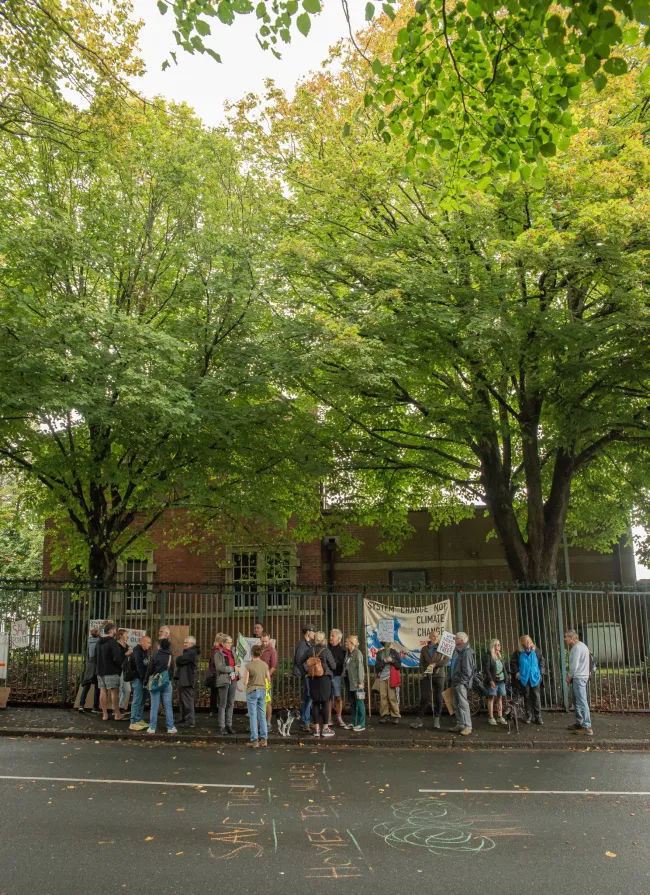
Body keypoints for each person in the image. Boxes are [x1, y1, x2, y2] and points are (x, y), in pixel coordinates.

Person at [410, 630, 450, 730]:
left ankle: (437, 719)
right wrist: (424, 672)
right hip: (428, 675)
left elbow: (446, 660)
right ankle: (419, 719)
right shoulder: (424, 649)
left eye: (436, 636)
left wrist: (436, 664)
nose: (435, 637)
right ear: (429, 637)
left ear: (438, 637)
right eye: (433, 636)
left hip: (440, 675)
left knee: (438, 697)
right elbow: (421, 663)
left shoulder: (442, 648)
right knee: (424, 697)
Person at [304, 631, 336, 737]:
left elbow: (300, 661)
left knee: (315, 703)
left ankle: (317, 729)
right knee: (325, 702)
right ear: (323, 640)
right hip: (324, 679)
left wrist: (307, 672)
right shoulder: (326, 651)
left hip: (313, 679)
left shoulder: (310, 651)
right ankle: (325, 728)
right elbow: (334, 666)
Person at [510, 635, 545, 725]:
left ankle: (538, 717)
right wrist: (517, 671)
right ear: (522, 643)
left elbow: (541, 662)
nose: (528, 642)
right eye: (526, 641)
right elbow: (513, 663)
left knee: (536, 697)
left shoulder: (536, 651)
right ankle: (528, 716)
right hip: (524, 678)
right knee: (527, 696)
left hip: (535, 677)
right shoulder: (518, 653)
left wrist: (541, 673)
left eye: (529, 640)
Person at [95, 623, 127, 722]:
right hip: (112, 670)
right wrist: (124, 658)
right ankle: (117, 714)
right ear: (112, 630)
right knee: (114, 692)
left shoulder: (98, 642)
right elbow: (117, 658)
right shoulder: (113, 642)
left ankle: (104, 714)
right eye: (115, 629)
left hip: (100, 670)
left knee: (102, 691)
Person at [564, 629, 593, 736]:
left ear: (572, 638)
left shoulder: (576, 648)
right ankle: (579, 722)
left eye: (566, 636)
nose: (565, 639)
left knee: (581, 701)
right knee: (577, 701)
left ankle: (587, 726)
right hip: (582, 676)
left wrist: (569, 676)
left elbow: (574, 665)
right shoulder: (582, 646)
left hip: (579, 677)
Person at [146, 637, 176, 735]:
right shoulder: (171, 656)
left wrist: (145, 681)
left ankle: (152, 727)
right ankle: (170, 727)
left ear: (160, 646)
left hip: (156, 682)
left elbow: (149, 670)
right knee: (168, 706)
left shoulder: (155, 656)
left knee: (154, 705)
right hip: (167, 682)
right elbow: (172, 670)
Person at [243, 643, 270, 747]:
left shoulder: (248, 666)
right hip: (262, 690)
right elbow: (268, 678)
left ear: (251, 653)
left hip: (252, 691)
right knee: (262, 715)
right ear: (260, 653)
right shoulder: (265, 665)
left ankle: (254, 740)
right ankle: (264, 739)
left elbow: (245, 682)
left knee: (253, 716)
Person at [449, 632, 476, 736]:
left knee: (463, 704)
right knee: (456, 704)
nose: (455, 640)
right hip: (455, 682)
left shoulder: (466, 652)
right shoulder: (458, 651)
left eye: (456, 638)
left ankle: (468, 726)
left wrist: (461, 683)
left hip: (460, 683)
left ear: (461, 640)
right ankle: (460, 724)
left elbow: (467, 671)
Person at [214, 634, 240, 735]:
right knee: (223, 704)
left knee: (230, 703)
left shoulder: (233, 651)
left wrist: (237, 666)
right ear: (223, 643)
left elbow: (238, 662)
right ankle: (222, 726)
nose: (230, 644)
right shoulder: (218, 654)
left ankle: (229, 725)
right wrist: (232, 668)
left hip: (233, 678)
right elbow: (219, 667)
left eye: (231, 642)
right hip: (224, 680)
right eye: (228, 643)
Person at [293, 624, 316, 731]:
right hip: (306, 674)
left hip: (307, 674)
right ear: (308, 632)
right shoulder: (303, 645)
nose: (314, 633)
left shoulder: (308, 644)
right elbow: (299, 661)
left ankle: (305, 719)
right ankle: (305, 721)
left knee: (307, 698)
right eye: (313, 631)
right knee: (308, 697)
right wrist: (306, 672)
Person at [175, 635, 200, 728]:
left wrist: (178, 659)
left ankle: (190, 720)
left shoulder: (192, 652)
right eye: (184, 642)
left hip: (187, 680)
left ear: (192, 644)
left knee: (187, 701)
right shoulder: (188, 652)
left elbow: (179, 660)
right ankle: (183, 718)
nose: (184, 644)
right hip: (183, 679)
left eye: (186, 642)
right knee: (182, 701)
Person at [374, 642, 402, 724]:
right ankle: (385, 715)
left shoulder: (394, 652)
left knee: (392, 697)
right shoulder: (379, 653)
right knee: (383, 697)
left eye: (389, 642)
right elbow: (377, 666)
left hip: (391, 677)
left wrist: (392, 660)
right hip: (382, 677)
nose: (388, 643)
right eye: (387, 641)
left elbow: (399, 665)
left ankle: (396, 715)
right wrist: (384, 660)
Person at [343, 634, 365, 732]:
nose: (345, 643)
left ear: (352, 643)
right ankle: (354, 721)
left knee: (359, 703)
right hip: (349, 682)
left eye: (347, 642)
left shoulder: (357, 653)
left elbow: (360, 668)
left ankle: (361, 723)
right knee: (352, 702)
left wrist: (360, 682)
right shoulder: (348, 653)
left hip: (357, 683)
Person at [484, 638, 509, 727]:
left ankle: (500, 716)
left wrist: (506, 677)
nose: (499, 646)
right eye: (497, 645)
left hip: (501, 680)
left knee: (500, 698)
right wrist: (491, 680)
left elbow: (503, 668)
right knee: (491, 698)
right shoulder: (488, 656)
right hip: (493, 680)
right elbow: (486, 669)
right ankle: (491, 717)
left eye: (499, 644)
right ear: (493, 646)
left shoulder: (499, 655)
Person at [129, 634, 151, 731]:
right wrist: (144, 680)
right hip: (139, 679)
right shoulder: (137, 652)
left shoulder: (144, 652)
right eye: (148, 642)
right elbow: (139, 668)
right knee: (137, 700)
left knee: (142, 701)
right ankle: (133, 721)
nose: (150, 645)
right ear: (142, 642)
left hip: (144, 679)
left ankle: (139, 719)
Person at [78, 625, 101, 714]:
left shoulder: (89, 640)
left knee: (86, 685)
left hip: (90, 664)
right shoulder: (99, 641)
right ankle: (95, 707)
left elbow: (96, 632)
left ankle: (81, 705)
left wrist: (102, 625)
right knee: (97, 687)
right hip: (97, 664)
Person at [328, 629, 346, 728]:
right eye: (330, 635)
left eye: (333, 636)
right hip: (327, 676)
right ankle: (329, 717)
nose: (331, 638)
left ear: (339, 639)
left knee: (338, 697)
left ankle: (339, 717)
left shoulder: (343, 650)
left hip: (337, 676)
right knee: (328, 697)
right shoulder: (326, 648)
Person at [260, 632, 278, 726]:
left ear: (269, 639)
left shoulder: (272, 651)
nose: (264, 643)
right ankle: (259, 722)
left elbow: (274, 666)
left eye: (266, 641)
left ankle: (268, 722)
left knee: (267, 701)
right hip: (257, 679)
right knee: (259, 701)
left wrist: (266, 677)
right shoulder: (258, 649)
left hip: (266, 679)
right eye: (263, 641)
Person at [117, 628, 132, 718]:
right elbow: (118, 658)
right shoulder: (116, 645)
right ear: (121, 636)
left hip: (125, 669)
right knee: (118, 689)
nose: (127, 636)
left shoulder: (126, 645)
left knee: (127, 690)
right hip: (118, 669)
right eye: (126, 634)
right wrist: (127, 653)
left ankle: (121, 706)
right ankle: (116, 710)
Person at [208, 633, 224, 716]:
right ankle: (214, 710)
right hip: (216, 673)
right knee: (217, 692)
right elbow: (214, 662)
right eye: (221, 639)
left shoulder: (214, 649)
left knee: (215, 692)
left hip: (214, 672)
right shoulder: (216, 650)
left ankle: (213, 710)